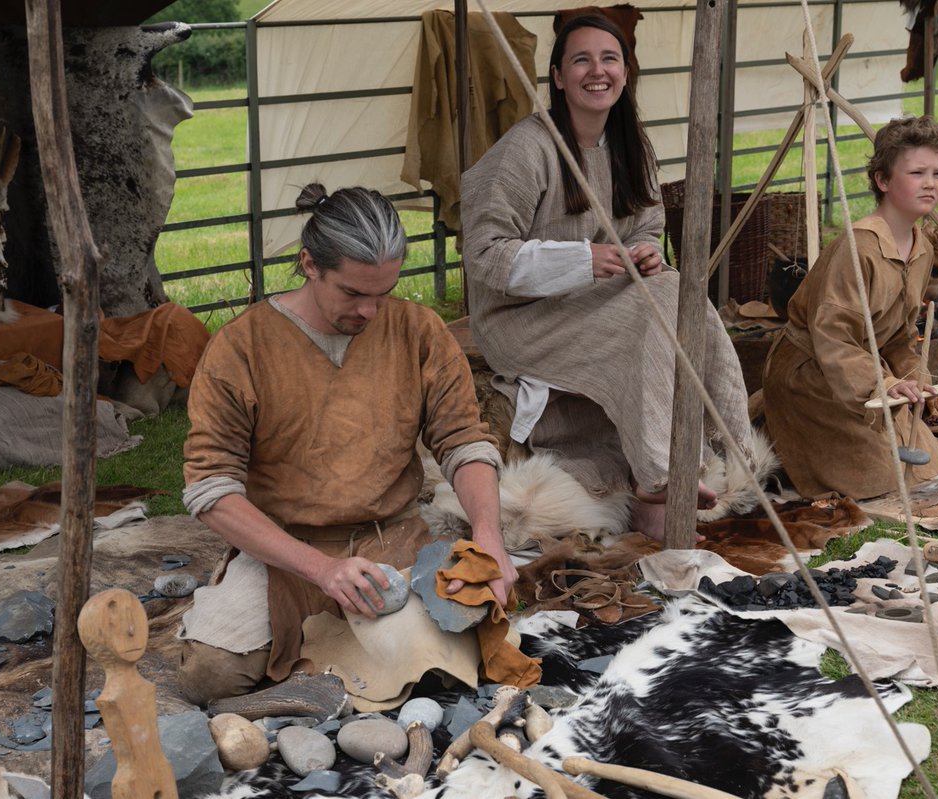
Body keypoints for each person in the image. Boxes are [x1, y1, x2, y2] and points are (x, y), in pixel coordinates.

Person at [177, 184, 517, 705]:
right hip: (285, 553)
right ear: (309, 264)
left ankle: (337, 683)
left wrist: (490, 536)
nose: (372, 312)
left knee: (472, 653)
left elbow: (464, 443)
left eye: (384, 293)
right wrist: (320, 568)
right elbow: (211, 488)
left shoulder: (419, 331)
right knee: (209, 676)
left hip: (392, 541)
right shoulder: (241, 348)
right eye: (354, 294)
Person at [460, 14, 755, 540]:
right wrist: (582, 259)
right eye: (581, 60)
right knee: (655, 308)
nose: (597, 71)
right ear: (556, 76)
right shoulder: (527, 150)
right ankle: (656, 474)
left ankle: (723, 438)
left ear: (625, 71)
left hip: (598, 300)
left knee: (676, 290)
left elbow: (647, 223)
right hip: (521, 318)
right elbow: (484, 254)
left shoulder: (631, 145)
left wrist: (642, 254)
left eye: (609, 59)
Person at [762, 115, 938, 499]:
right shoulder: (860, 248)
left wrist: (911, 374)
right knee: (879, 479)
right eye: (917, 172)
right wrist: (882, 384)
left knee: (925, 463)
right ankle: (777, 429)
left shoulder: (922, 248)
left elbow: (901, 333)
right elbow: (833, 336)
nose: (931, 183)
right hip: (814, 372)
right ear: (883, 180)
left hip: (865, 371)